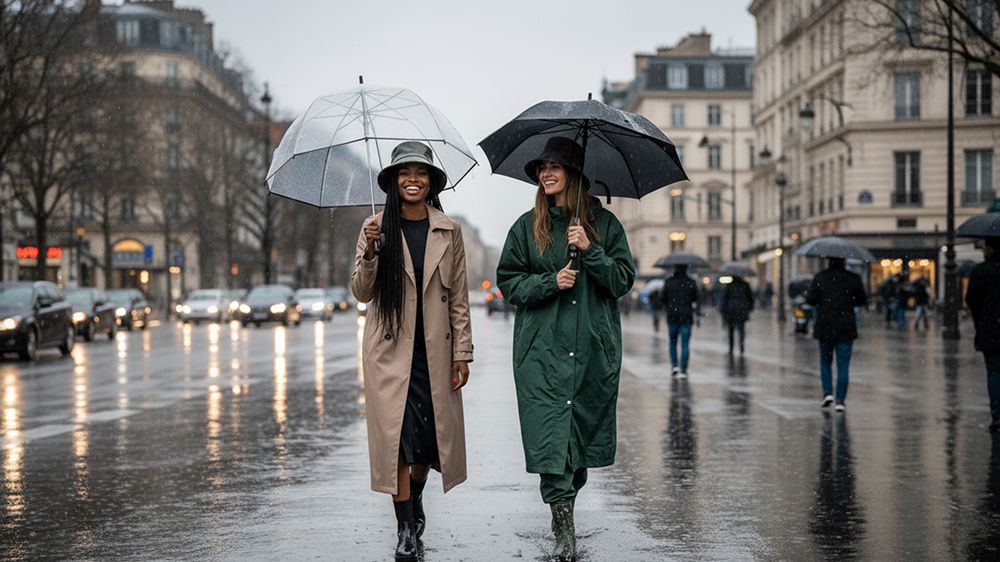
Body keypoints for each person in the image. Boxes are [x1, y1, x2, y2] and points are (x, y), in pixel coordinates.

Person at [496, 136, 635, 561]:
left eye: (555, 166)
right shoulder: (525, 226)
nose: (546, 173)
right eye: (542, 168)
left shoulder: (605, 224)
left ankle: (566, 505)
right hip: (541, 352)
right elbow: (508, 283)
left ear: (575, 174)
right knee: (549, 440)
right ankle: (563, 529)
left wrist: (591, 251)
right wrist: (548, 282)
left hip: (593, 349)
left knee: (579, 444)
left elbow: (621, 281)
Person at [352, 141, 474, 561]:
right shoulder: (375, 227)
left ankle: (415, 499)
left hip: (434, 352)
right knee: (398, 442)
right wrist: (370, 251)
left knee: (425, 444)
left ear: (431, 182)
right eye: (404, 173)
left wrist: (463, 353)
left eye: (420, 173)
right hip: (389, 352)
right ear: (393, 181)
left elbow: (458, 296)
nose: (412, 180)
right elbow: (361, 291)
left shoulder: (449, 230)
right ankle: (405, 527)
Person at [806, 257, 867, 413]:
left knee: (825, 361)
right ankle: (840, 400)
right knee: (843, 364)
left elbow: (811, 300)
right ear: (844, 262)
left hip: (825, 325)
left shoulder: (820, 277)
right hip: (845, 326)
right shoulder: (853, 279)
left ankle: (828, 392)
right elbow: (862, 300)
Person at [965, 237, 1000, 433]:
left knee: (994, 372)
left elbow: (971, 299)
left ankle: (997, 415)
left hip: (990, 331)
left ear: (989, 249)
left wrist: (981, 319)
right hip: (991, 328)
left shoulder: (980, 271)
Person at [660, 264, 700, 377]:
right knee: (685, 344)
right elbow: (697, 297)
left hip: (672, 316)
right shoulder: (691, 282)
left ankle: (674, 366)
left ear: (675, 268)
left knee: (673, 343)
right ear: (687, 269)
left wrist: (670, 304)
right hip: (686, 316)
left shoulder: (669, 282)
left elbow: (662, 298)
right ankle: (683, 369)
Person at [720, 275, 754, 355]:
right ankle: (741, 345)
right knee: (741, 329)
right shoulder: (745, 285)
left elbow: (724, 298)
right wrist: (749, 308)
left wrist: (723, 310)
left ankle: (731, 348)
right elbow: (750, 298)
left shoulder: (729, 285)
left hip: (731, 310)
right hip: (742, 310)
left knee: (731, 330)